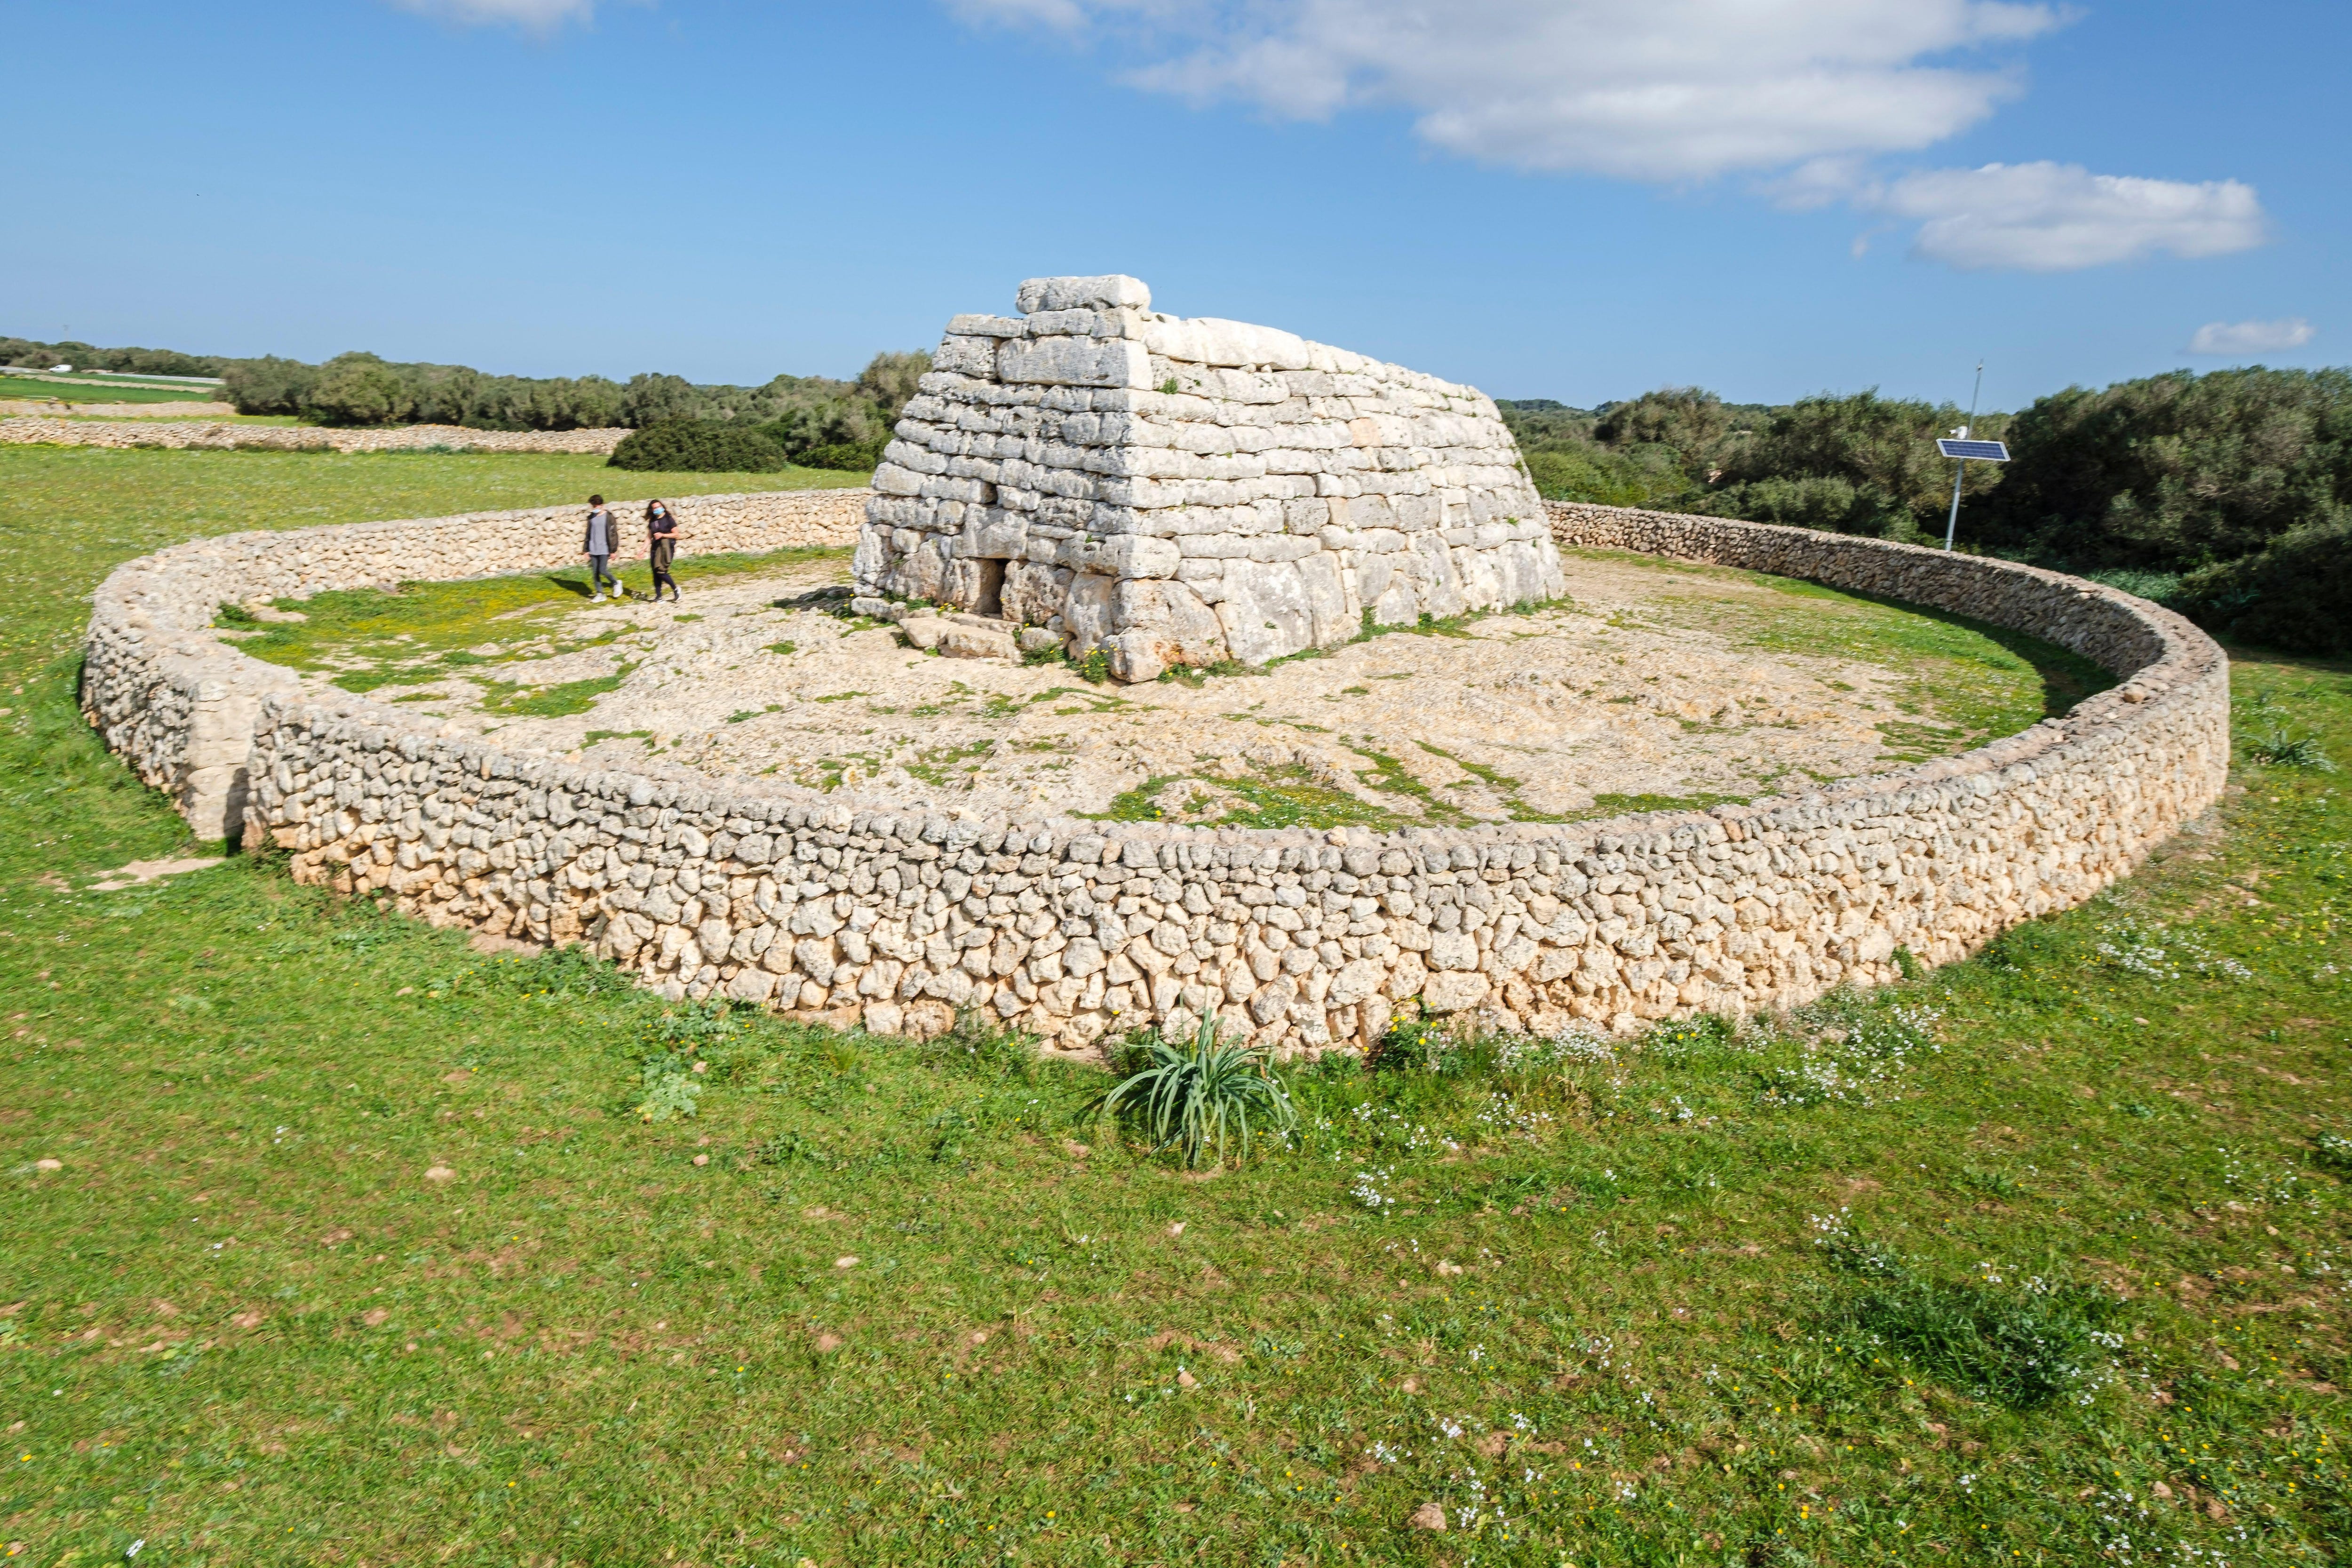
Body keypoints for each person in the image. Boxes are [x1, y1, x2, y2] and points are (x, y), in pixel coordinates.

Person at [644, 499, 689, 603]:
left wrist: (663, 535)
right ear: (652, 510)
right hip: (655, 549)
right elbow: (649, 537)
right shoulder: (653, 520)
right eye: (655, 508)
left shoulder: (669, 519)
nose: (657, 509)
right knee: (655, 572)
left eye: (658, 507)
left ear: (662, 506)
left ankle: (676, 589)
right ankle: (659, 597)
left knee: (661, 571)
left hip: (666, 548)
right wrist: (643, 549)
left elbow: (676, 535)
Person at [580, 494, 620, 601]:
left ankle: (616, 583)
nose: (594, 508)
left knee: (603, 570)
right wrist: (586, 550)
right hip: (594, 548)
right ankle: (600, 594)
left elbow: (614, 534)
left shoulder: (609, 517)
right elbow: (588, 534)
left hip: (605, 548)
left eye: (596, 506)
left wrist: (613, 550)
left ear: (602, 505)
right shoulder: (591, 518)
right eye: (593, 506)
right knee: (595, 572)